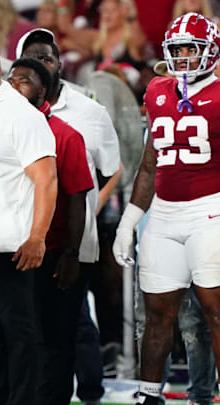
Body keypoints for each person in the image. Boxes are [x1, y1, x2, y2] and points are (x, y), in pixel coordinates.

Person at [112, 12, 220, 405]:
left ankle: (209, 394)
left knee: (215, 311)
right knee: (156, 314)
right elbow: (149, 163)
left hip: (211, 208)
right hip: (164, 212)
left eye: (192, 49)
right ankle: (149, 394)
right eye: (178, 50)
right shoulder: (157, 90)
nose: (186, 57)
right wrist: (129, 222)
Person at [0, 39, 58, 405]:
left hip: (12, 246)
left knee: (19, 334)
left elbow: (47, 179)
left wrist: (38, 236)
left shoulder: (22, 114)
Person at [7, 57, 94, 405]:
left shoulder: (65, 134)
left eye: (24, 80)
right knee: (13, 337)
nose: (15, 85)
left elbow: (77, 198)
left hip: (53, 250)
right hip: (6, 252)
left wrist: (72, 254)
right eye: (11, 79)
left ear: (43, 89)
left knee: (54, 339)